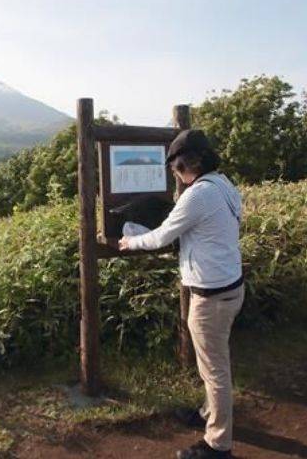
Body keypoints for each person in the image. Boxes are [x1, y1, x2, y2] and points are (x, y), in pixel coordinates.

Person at [119, 129, 244, 459]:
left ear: (191, 163)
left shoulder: (199, 194)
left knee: (215, 369)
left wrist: (132, 242)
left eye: (176, 167)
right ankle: (208, 413)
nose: (176, 174)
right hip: (230, 287)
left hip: (211, 297)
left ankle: (218, 445)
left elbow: (161, 236)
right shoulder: (224, 185)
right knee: (211, 363)